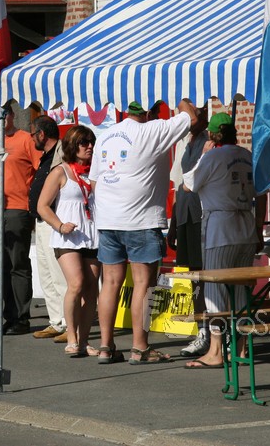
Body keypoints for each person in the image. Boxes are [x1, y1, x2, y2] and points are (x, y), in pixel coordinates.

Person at [89, 99, 198, 365]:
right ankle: (139, 348)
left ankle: (105, 346)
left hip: (109, 220)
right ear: (150, 111)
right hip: (140, 219)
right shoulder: (153, 129)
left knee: (110, 283)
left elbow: (94, 181)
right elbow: (191, 117)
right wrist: (180, 96)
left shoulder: (105, 136)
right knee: (142, 284)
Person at [180, 113, 266, 369]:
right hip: (246, 225)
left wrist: (203, 155)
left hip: (220, 227)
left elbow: (188, 185)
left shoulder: (212, 156)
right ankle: (240, 347)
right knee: (240, 290)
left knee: (215, 289)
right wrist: (259, 227)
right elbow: (262, 194)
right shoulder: (248, 156)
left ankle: (216, 350)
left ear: (212, 135)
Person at [37, 125, 100, 357]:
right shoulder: (60, 171)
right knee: (76, 283)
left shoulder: (94, 172)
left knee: (92, 289)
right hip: (68, 237)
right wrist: (60, 225)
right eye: (84, 142)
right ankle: (71, 338)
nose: (89, 147)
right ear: (73, 145)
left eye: (91, 142)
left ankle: (84, 341)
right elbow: (42, 206)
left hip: (92, 234)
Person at [0, 102, 42, 335]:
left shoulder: (25, 139)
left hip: (18, 208)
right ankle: (9, 315)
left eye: (1, 116)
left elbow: (41, 171)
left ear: (11, 116)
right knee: (2, 264)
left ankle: (21, 317)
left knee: (17, 263)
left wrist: (34, 204)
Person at [167, 105, 211, 357]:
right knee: (193, 277)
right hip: (184, 215)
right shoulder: (183, 142)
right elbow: (178, 184)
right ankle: (201, 330)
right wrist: (173, 223)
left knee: (206, 276)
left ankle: (212, 330)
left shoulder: (208, 142)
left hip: (201, 215)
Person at [27, 115, 69, 342]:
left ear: (41, 134)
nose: (32, 138)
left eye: (33, 134)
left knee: (59, 274)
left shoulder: (61, 154)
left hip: (54, 221)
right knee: (46, 275)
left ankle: (68, 323)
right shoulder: (45, 157)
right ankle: (56, 321)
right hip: (41, 222)